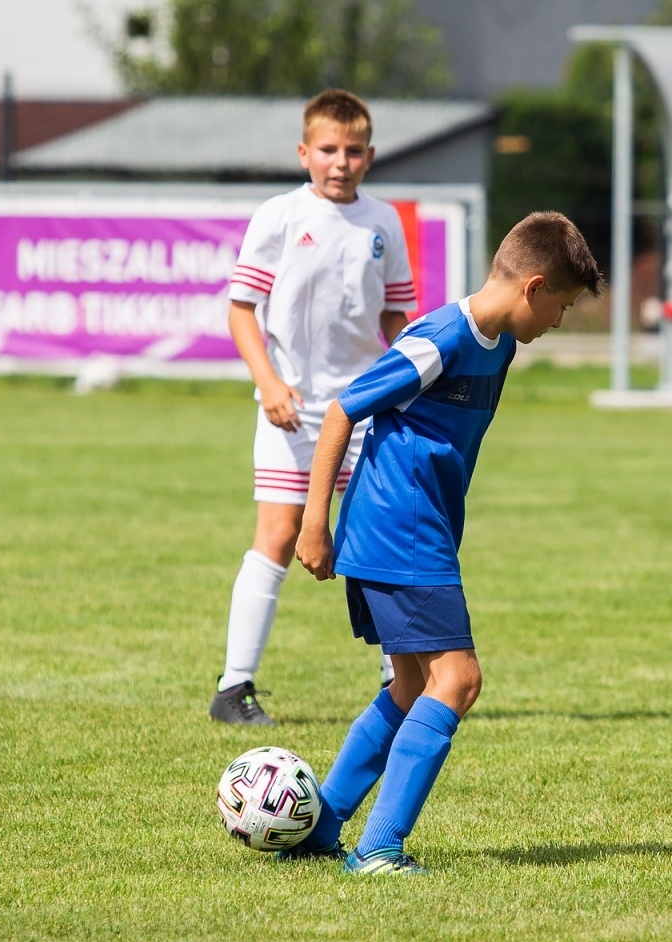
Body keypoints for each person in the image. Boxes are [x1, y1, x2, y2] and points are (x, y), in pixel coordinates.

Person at [283, 211, 602, 874]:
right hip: (399, 529)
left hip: (415, 528)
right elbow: (345, 407)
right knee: (458, 679)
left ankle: (323, 824)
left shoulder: (501, 345)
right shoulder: (439, 339)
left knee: (409, 685)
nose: (559, 323)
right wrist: (316, 520)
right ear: (532, 286)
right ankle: (379, 850)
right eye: (562, 307)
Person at [210, 89, 417, 727]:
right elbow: (241, 309)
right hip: (291, 411)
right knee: (276, 535)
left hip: (362, 412)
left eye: (354, 151)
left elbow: (395, 314)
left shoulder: (383, 222)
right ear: (304, 152)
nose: (340, 161)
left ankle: (398, 678)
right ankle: (234, 688)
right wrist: (270, 383)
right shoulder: (277, 215)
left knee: (375, 539)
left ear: (370, 155)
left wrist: (414, 372)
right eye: (328, 149)